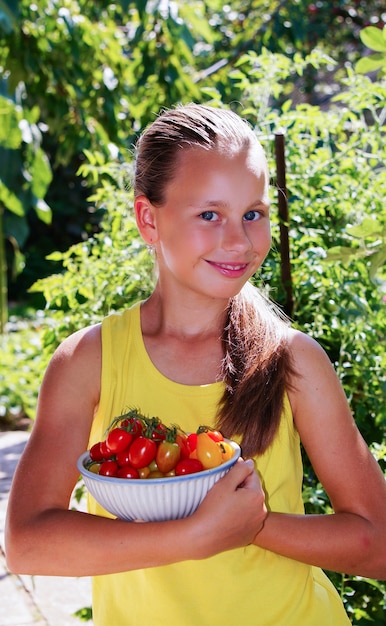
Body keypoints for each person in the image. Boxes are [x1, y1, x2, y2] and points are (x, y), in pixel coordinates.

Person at [5, 104, 386, 626]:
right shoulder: (89, 361)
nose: (239, 240)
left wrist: (252, 525)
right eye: (210, 215)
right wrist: (195, 533)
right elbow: (29, 543)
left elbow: (377, 544)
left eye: (253, 213)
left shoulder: (294, 360)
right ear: (148, 219)